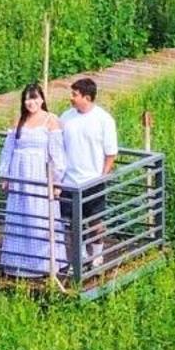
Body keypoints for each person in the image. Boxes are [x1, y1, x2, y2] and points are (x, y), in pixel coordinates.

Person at [0, 83, 65, 280]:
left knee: (39, 215)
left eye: (34, 98)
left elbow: (57, 154)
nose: (31, 102)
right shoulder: (19, 119)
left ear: (42, 99)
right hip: (19, 174)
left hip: (39, 174)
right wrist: (5, 175)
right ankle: (17, 262)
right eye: (27, 99)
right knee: (19, 215)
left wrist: (57, 181)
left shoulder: (51, 120)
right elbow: (8, 149)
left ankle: (43, 263)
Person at [59, 76, 119, 271]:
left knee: (95, 220)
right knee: (71, 222)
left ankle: (97, 254)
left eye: (74, 95)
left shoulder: (103, 120)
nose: (71, 98)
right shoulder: (66, 117)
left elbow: (111, 152)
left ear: (87, 97)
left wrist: (102, 174)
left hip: (92, 179)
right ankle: (79, 256)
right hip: (69, 180)